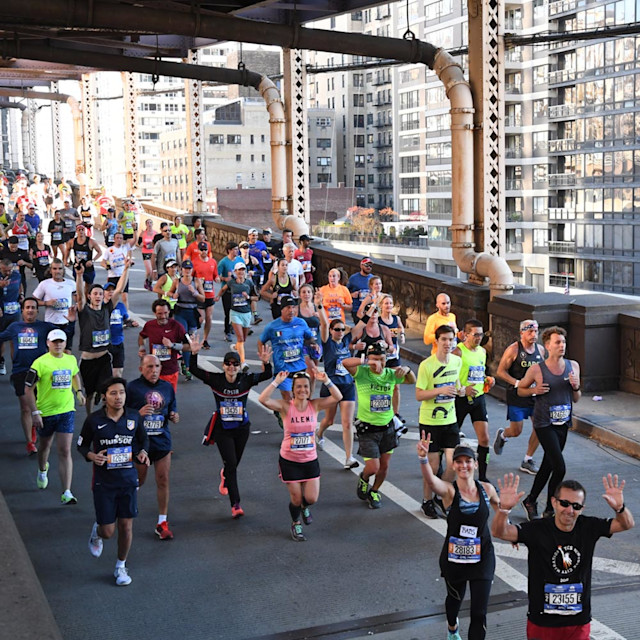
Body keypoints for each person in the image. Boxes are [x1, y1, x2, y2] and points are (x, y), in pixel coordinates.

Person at [493, 473, 634, 640]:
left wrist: (620, 508)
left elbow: (626, 524)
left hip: (578, 621)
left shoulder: (589, 526)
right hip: (542, 621)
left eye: (576, 506)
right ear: (554, 502)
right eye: (564, 503)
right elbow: (499, 532)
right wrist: (504, 510)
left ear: (582, 508)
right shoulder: (537, 529)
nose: (570, 510)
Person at [418, 435, 499, 640]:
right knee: (455, 599)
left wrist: (507, 513)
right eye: (459, 462)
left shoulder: (486, 489)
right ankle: (452, 628)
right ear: (453, 466)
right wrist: (423, 459)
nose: (464, 465)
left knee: (479, 613)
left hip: (483, 557)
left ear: (475, 464)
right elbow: (432, 481)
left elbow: (501, 510)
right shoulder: (449, 491)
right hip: (455, 559)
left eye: (468, 461)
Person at [77, 376, 150, 586]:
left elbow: (143, 439)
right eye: (113, 393)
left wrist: (143, 452)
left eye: (122, 393)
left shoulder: (134, 417)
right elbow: (81, 446)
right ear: (104, 397)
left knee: (126, 527)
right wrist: (92, 456)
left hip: (128, 480)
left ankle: (121, 566)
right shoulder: (94, 420)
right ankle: (97, 531)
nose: (119, 397)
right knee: (108, 531)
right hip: (104, 482)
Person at [190, 339, 273, 519]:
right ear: (223, 365)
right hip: (222, 429)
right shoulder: (216, 380)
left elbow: (267, 375)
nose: (231, 367)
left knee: (234, 462)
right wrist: (194, 354)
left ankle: (225, 474)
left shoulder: (246, 379)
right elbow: (194, 370)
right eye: (228, 364)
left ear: (239, 366)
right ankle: (236, 504)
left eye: (235, 364)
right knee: (232, 465)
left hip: (242, 428)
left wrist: (266, 362)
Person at [259, 369, 342, 541]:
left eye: (305, 386)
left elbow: (337, 397)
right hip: (290, 461)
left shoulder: (315, 405)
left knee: (311, 498)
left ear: (309, 389)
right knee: (296, 498)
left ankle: (305, 506)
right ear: (293, 389)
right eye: (298, 387)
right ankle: (296, 522)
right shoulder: (285, 406)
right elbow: (263, 399)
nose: (302, 390)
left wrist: (326, 380)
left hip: (310, 460)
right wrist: (276, 382)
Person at [341, 341, 415, 509]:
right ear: (368, 358)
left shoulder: (390, 373)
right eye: (374, 359)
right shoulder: (362, 372)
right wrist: (367, 362)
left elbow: (411, 380)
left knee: (384, 466)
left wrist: (408, 370)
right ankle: (365, 478)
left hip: (387, 427)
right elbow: (345, 363)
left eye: (381, 359)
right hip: (368, 428)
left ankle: (374, 490)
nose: (378, 364)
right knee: (373, 467)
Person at [518, 326, 582, 520]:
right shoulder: (537, 369)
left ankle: (530, 500)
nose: (561, 345)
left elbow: (577, 398)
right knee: (559, 467)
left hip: (562, 423)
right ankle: (549, 507)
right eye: (557, 342)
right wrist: (533, 391)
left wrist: (576, 386)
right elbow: (521, 390)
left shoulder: (573, 366)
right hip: (544, 423)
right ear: (547, 346)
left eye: (563, 342)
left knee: (548, 466)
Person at [0, 297, 74, 454]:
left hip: (43, 372)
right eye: (27, 307)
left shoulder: (44, 327)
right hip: (21, 372)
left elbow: (64, 334)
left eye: (33, 307)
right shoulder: (15, 327)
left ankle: (38, 428)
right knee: (26, 407)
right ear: (22, 310)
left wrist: (72, 322)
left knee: (39, 405)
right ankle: (29, 442)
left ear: (37, 311)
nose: (30, 310)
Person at [25, 329, 85, 504]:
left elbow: (75, 374)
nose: (58, 344)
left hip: (66, 411)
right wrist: (35, 412)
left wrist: (78, 391)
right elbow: (27, 388)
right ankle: (42, 469)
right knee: (44, 447)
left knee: (65, 451)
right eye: (54, 341)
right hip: (46, 413)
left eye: (61, 341)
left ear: (65, 343)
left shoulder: (70, 359)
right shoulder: (40, 363)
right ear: (48, 343)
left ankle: (66, 492)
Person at [126, 355, 179, 540]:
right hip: (141, 444)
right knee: (139, 481)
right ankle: (125, 508)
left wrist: (173, 414)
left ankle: (162, 522)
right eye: (149, 367)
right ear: (141, 368)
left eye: (157, 366)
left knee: (163, 479)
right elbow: (121, 415)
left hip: (162, 440)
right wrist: (137, 414)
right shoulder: (132, 388)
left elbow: (172, 406)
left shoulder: (166, 387)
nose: (154, 370)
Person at [416, 324, 463, 519]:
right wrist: (439, 391)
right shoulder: (426, 365)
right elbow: (419, 394)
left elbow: (457, 384)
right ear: (436, 341)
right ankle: (427, 500)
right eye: (443, 339)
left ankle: (441, 494)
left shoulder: (457, 361)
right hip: (430, 422)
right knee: (433, 466)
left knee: (454, 465)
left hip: (450, 420)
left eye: (450, 339)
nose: (447, 343)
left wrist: (461, 391)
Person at [76, 258, 131, 415]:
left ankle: (107, 416)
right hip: (87, 360)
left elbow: (119, 290)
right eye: (95, 294)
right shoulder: (85, 311)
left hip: (103, 358)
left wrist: (126, 269)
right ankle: (90, 417)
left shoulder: (107, 309)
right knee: (89, 394)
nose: (98, 296)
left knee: (107, 389)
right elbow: (79, 296)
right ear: (90, 296)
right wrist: (79, 275)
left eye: (100, 294)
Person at [494, 319, 543, 475]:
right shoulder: (514, 350)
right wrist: (517, 383)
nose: (533, 335)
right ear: (522, 332)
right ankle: (503, 435)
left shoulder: (540, 350)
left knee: (541, 428)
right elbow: (500, 371)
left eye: (536, 331)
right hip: (517, 395)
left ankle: (527, 459)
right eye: (530, 331)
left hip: (535, 396)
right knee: (517, 431)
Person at [452, 319, 495, 483]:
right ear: (465, 335)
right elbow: (449, 378)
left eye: (481, 334)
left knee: (484, 439)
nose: (478, 338)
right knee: (452, 438)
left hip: (478, 399)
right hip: (460, 400)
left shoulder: (482, 352)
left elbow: (479, 373)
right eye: (475, 335)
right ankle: (446, 471)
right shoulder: (458, 352)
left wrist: (487, 380)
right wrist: (462, 389)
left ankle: (483, 477)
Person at [257, 295, 319, 403]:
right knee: (289, 400)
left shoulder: (301, 322)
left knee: (301, 399)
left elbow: (309, 339)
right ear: (282, 309)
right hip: (283, 370)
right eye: (288, 307)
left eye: (293, 307)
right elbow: (260, 341)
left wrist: (314, 345)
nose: (291, 310)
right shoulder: (272, 326)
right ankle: (283, 414)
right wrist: (264, 360)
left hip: (299, 366)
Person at [316, 316, 359, 470]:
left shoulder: (347, 341)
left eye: (342, 329)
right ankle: (319, 433)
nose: (340, 332)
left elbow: (361, 325)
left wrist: (372, 304)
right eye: (337, 330)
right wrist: (320, 307)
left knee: (347, 423)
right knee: (329, 420)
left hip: (347, 385)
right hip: (331, 386)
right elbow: (324, 324)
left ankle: (349, 457)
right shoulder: (327, 344)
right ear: (331, 331)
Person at [138, 299, 190, 392]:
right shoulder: (149, 325)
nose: (163, 316)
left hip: (170, 371)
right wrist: (142, 348)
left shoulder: (177, 326)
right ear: (154, 313)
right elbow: (141, 336)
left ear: (169, 311)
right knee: (152, 399)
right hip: (152, 371)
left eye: (165, 313)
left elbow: (189, 347)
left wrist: (173, 345)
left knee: (168, 400)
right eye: (159, 313)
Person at [215, 262, 256, 371]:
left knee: (243, 339)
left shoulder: (249, 283)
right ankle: (243, 362)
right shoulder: (231, 282)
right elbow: (223, 289)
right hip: (235, 313)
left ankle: (237, 347)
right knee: (240, 338)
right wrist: (218, 296)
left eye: (243, 270)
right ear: (235, 272)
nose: (241, 272)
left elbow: (257, 297)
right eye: (239, 270)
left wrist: (248, 297)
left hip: (246, 313)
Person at [169, 259, 205, 380]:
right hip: (180, 312)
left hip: (192, 313)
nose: (187, 271)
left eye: (189, 269)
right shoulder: (177, 281)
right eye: (185, 269)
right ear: (182, 270)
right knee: (186, 339)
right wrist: (173, 295)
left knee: (192, 340)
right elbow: (169, 292)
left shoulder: (196, 281)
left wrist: (194, 292)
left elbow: (203, 298)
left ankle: (186, 363)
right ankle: (187, 366)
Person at [33, 258, 77, 347]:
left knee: (67, 351)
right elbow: (34, 302)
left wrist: (76, 305)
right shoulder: (44, 284)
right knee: (52, 351)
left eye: (60, 268)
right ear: (50, 270)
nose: (57, 271)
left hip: (66, 322)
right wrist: (46, 303)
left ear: (63, 270)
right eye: (54, 268)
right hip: (50, 323)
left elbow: (78, 298)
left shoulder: (71, 283)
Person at [378, 293, 406, 420]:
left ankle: (396, 413)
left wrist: (402, 335)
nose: (388, 305)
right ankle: (382, 410)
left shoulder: (396, 319)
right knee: (382, 385)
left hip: (394, 355)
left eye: (390, 303)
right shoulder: (378, 320)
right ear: (381, 306)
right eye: (386, 303)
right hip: (382, 356)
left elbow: (401, 328)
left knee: (396, 385)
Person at [103, 282, 138, 378]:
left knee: (118, 373)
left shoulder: (121, 306)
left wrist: (132, 323)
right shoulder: (101, 306)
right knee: (105, 373)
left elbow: (126, 319)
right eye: (108, 290)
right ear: (103, 293)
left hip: (118, 342)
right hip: (105, 344)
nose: (110, 292)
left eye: (112, 290)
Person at [192, 242, 219, 347]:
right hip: (200, 294)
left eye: (205, 250)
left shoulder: (213, 262)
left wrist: (217, 278)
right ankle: (193, 335)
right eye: (201, 250)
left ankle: (205, 339)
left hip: (210, 294)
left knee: (209, 318)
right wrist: (198, 282)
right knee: (201, 318)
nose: (204, 252)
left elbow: (215, 275)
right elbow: (190, 277)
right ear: (198, 251)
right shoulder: (195, 262)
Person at [0, 257, 24, 375]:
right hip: (1, 314)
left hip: (14, 312)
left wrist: (21, 295)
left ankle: (16, 366)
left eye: (9, 270)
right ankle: (1, 361)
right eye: (5, 271)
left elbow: (20, 285)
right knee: (1, 339)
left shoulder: (16, 275)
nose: (8, 273)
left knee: (14, 340)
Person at [297, 284, 324, 386]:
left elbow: (326, 325)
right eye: (303, 292)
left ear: (312, 294)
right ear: (300, 295)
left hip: (316, 342)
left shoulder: (317, 308)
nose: (306, 294)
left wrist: (320, 317)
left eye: (309, 292)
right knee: (312, 371)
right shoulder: (297, 309)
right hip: (303, 344)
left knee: (313, 374)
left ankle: (309, 398)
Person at [217, 241, 243, 342]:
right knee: (228, 312)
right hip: (227, 290)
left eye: (237, 249)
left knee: (237, 311)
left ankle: (234, 327)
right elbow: (218, 276)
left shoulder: (240, 260)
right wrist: (225, 279)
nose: (237, 251)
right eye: (235, 249)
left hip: (238, 290)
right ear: (229, 250)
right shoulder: (223, 262)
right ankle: (227, 331)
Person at [102, 231, 134, 310]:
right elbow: (103, 262)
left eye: (120, 238)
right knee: (111, 297)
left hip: (123, 275)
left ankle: (126, 315)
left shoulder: (125, 248)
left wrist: (135, 230)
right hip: (113, 276)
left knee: (124, 297)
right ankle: (109, 312)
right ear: (114, 239)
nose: (119, 240)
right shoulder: (109, 250)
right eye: (117, 238)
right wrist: (106, 266)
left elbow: (134, 240)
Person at [68, 224, 102, 297]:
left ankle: (86, 301)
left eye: (82, 230)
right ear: (76, 231)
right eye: (79, 230)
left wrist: (92, 260)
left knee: (88, 287)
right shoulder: (72, 241)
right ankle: (80, 301)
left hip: (88, 266)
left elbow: (100, 252)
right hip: (78, 266)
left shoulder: (91, 241)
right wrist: (65, 259)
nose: (81, 232)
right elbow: (67, 250)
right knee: (79, 285)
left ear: (85, 231)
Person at [347, 257, 374, 324]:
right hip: (357, 308)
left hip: (369, 308)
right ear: (361, 265)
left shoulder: (372, 278)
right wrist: (352, 295)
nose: (369, 267)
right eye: (366, 265)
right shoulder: (353, 278)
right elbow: (345, 293)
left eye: (370, 266)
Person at [137, 218, 156, 291]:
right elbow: (139, 243)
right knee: (149, 270)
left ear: (152, 224)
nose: (149, 224)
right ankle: (147, 281)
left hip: (153, 252)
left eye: (150, 222)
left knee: (152, 271)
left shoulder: (155, 233)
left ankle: (149, 282)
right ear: (146, 224)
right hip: (145, 252)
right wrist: (141, 244)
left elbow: (158, 243)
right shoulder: (143, 233)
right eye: (148, 223)